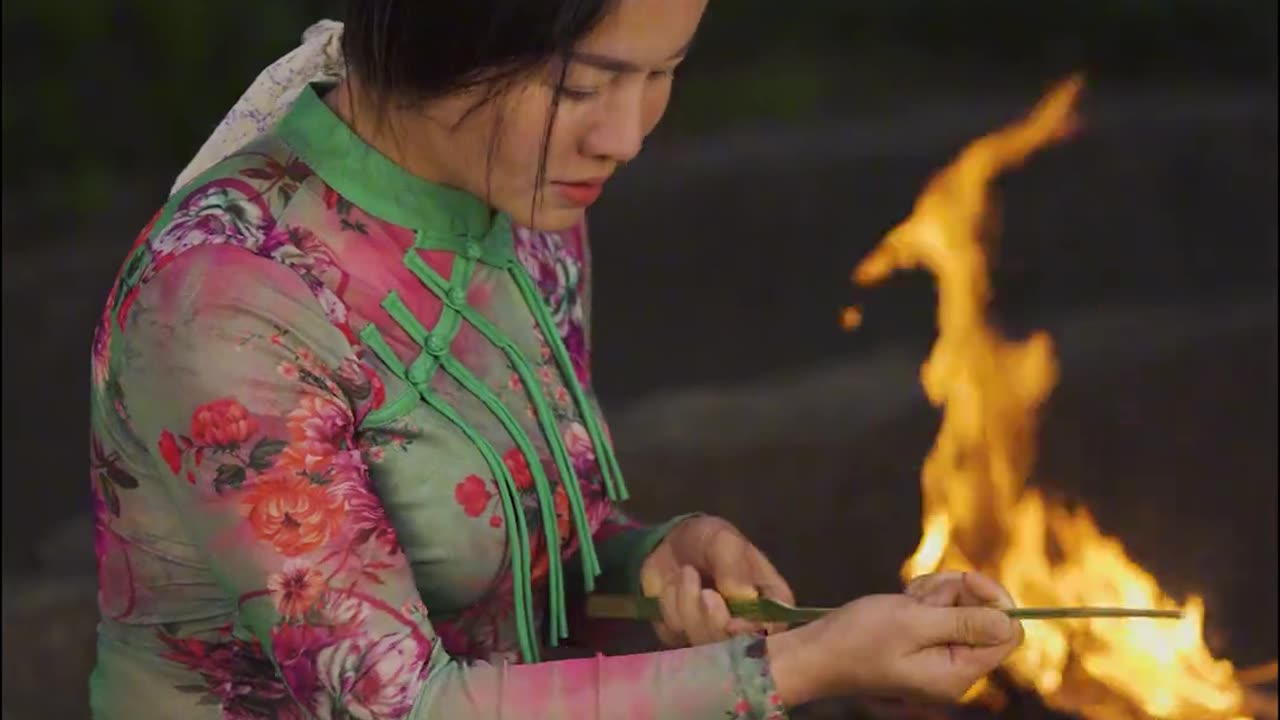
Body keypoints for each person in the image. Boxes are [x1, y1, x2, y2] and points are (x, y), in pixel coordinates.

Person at [87, 1, 1024, 717]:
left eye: (663, 73)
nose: (626, 135)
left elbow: (492, 547)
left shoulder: (528, 209)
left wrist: (648, 563)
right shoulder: (229, 293)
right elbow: (401, 705)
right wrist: (801, 665)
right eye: (582, 88)